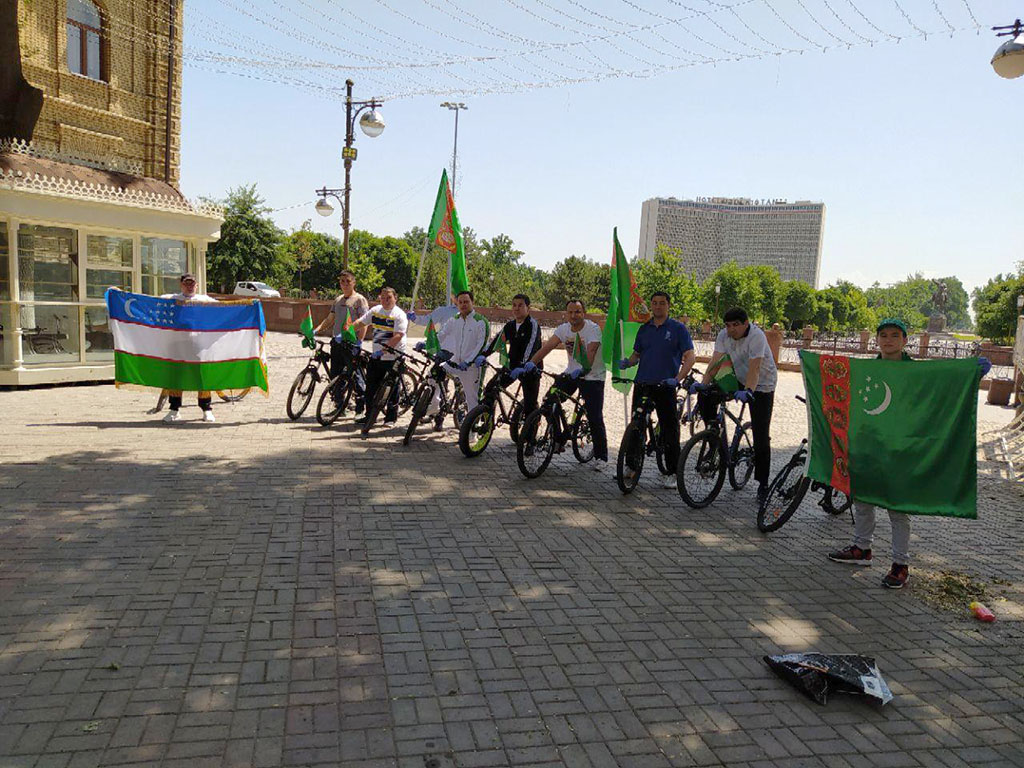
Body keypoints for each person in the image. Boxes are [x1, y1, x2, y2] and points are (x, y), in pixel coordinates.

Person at [827, 318, 992, 589]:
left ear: (905, 340)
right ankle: (861, 549)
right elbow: (835, 379)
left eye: (895, 335)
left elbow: (943, 381)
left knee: (898, 508)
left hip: (902, 452)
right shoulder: (865, 370)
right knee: (863, 499)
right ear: (877, 340)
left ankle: (900, 565)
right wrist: (810, 363)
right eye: (883, 335)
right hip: (869, 446)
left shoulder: (916, 373)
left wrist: (970, 373)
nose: (888, 340)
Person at [691, 307, 778, 501]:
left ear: (746, 323)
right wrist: (703, 385)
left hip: (762, 384)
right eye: (728, 325)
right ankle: (714, 438)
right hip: (738, 377)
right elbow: (715, 362)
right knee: (706, 396)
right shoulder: (724, 335)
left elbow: (755, 369)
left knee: (761, 435)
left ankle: (763, 484)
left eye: (736, 325)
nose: (731, 329)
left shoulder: (757, 337)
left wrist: (749, 391)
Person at [513, 299, 609, 472]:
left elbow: (591, 351)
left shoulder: (592, 329)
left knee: (594, 416)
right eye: (570, 312)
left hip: (592, 376)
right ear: (566, 314)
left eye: (577, 312)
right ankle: (558, 440)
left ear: (584, 313)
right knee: (549, 401)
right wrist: (531, 363)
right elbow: (547, 347)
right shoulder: (564, 329)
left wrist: (583, 369)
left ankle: (601, 456)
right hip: (571, 373)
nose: (574, 315)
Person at [617, 292, 696, 487]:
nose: (658, 306)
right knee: (636, 425)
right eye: (654, 303)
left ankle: (672, 471)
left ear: (668, 306)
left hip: (665, 386)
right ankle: (631, 465)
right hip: (643, 384)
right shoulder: (644, 329)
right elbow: (637, 354)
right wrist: (628, 362)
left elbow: (690, 357)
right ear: (651, 305)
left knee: (669, 429)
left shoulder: (678, 329)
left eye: (662, 303)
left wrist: (677, 379)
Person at [159, 273, 218, 424]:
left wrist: (250, 304)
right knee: (176, 378)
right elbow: (149, 302)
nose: (189, 286)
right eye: (186, 283)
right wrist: (120, 294)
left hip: (198, 347)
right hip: (176, 346)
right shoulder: (172, 299)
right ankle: (174, 410)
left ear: (197, 285)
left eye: (192, 283)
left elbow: (227, 308)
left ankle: (207, 409)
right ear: (181, 285)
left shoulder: (204, 301)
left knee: (202, 377)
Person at [352, 287, 408, 426]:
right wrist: (346, 331)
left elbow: (398, 336)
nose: (385, 300)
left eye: (389, 298)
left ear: (395, 298)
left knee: (392, 388)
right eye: (383, 298)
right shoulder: (375, 311)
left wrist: (383, 351)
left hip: (393, 357)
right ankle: (369, 416)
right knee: (370, 388)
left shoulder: (399, 315)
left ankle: (390, 418)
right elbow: (361, 322)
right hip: (376, 357)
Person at [314, 270, 369, 411]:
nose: (344, 284)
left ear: (354, 282)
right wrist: (317, 330)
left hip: (351, 343)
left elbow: (364, 322)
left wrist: (359, 341)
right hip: (337, 342)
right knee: (335, 375)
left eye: (348, 281)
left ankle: (360, 408)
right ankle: (340, 406)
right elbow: (330, 319)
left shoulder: (360, 300)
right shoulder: (338, 300)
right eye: (342, 281)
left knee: (355, 376)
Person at [434, 291, 490, 413]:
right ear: (457, 304)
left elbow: (481, 345)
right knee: (434, 375)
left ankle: (473, 424)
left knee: (472, 400)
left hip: (472, 367)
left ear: (472, 302)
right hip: (455, 362)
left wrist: (469, 361)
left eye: (466, 302)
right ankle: (433, 407)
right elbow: (442, 334)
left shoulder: (481, 321)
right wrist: (428, 343)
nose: (463, 304)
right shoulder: (454, 319)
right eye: (460, 302)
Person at [487, 293, 543, 415]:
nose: (516, 308)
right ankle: (486, 418)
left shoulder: (532, 325)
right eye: (514, 305)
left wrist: (523, 366)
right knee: (490, 390)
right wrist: (483, 354)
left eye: (520, 305)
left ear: (528, 308)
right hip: (511, 367)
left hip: (530, 368)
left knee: (530, 406)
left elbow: (531, 347)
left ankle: (531, 423)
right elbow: (497, 341)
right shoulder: (510, 325)